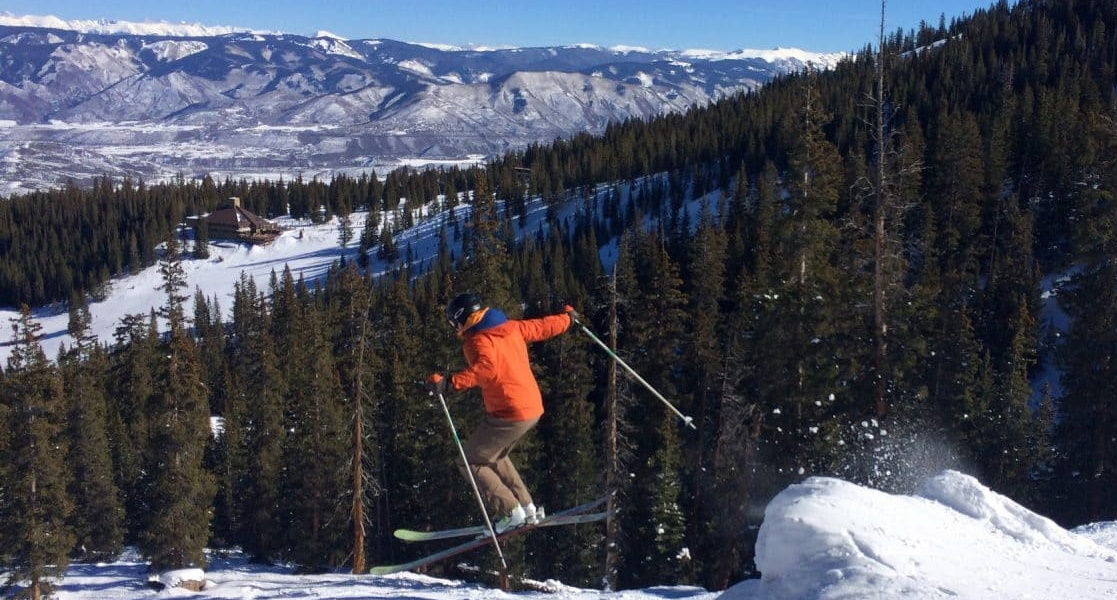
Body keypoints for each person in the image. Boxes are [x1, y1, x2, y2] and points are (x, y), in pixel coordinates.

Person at [427, 292, 577, 533]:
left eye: (452, 322)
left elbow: (486, 369)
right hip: (530, 407)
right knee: (494, 455)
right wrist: (567, 319)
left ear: (460, 318)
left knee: (470, 461)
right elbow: (541, 327)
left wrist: (450, 383)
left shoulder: (477, 339)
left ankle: (510, 511)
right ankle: (526, 508)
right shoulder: (509, 326)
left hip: (510, 411)